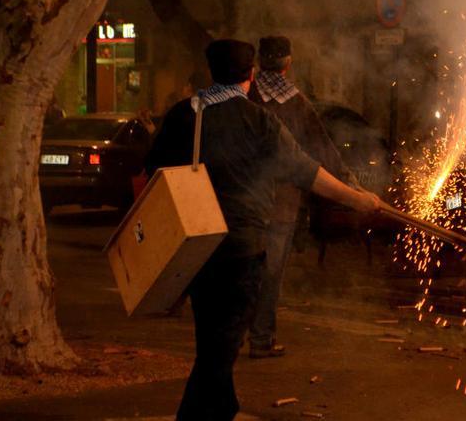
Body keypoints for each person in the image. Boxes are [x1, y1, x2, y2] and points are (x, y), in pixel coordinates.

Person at [148, 39, 381, 420]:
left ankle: (225, 408)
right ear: (250, 75)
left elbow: (154, 168)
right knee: (220, 350)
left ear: (212, 72)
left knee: (213, 341)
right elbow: (308, 172)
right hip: (240, 248)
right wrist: (357, 199)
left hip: (194, 244)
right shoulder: (258, 121)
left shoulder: (183, 115)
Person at [245, 35, 358, 359]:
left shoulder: (246, 96)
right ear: (288, 62)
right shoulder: (296, 103)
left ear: (260, 61)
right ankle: (261, 340)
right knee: (270, 275)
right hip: (281, 204)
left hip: (244, 202)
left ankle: (233, 335)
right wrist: (351, 186)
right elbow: (323, 150)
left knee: (243, 271)